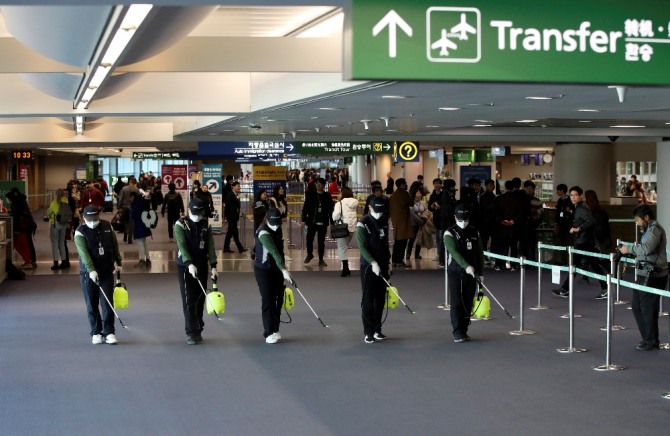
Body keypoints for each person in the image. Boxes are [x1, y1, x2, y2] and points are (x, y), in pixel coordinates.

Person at [619, 205, 668, 351]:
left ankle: (651, 341)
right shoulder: (649, 230)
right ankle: (648, 339)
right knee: (638, 306)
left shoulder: (654, 230)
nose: (637, 223)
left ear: (646, 217)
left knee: (647, 308)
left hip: (654, 275)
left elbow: (647, 249)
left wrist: (629, 249)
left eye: (638, 220)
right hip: (645, 273)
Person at [74, 205, 123, 345]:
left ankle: (109, 332)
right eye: (89, 219)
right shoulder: (80, 231)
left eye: (95, 218)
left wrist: (118, 261)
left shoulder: (107, 226)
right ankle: (96, 332)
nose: (93, 221)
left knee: (107, 302)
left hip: (106, 270)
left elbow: (114, 245)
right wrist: (91, 270)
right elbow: (84, 254)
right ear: (84, 218)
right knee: (92, 303)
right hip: (87, 273)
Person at [552, 186, 608, 300]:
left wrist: (578, 229)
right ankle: (605, 288)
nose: (573, 197)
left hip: (584, 242)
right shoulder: (578, 207)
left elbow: (591, 221)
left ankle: (565, 289)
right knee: (593, 266)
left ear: (580, 196)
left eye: (575, 195)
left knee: (579, 265)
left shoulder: (581, 208)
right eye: (571, 195)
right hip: (584, 241)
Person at [174, 198, 218, 345]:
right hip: (185, 266)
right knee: (189, 300)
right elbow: (182, 246)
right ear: (189, 210)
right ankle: (191, 331)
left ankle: (199, 328)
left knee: (200, 298)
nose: (199, 216)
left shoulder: (206, 224)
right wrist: (189, 264)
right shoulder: (180, 224)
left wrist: (213, 266)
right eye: (196, 213)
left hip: (202, 264)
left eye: (201, 213)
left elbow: (210, 246)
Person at [444, 203, 485, 343]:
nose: (463, 222)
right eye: (460, 219)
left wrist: (481, 272)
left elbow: (479, 253)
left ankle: (464, 329)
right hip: (455, 272)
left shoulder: (474, 232)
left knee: (468, 301)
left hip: (472, 273)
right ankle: (457, 331)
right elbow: (454, 253)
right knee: (456, 302)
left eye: (466, 219)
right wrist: (466, 266)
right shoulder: (449, 233)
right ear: (455, 217)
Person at [253, 208, 291, 344]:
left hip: (276, 269)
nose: (276, 225)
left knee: (279, 298)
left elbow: (280, 251)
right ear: (267, 220)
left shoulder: (278, 228)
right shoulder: (263, 232)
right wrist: (284, 269)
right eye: (273, 222)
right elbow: (274, 252)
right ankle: (268, 332)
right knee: (268, 299)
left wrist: (282, 269)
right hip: (263, 269)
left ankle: (275, 329)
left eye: (278, 222)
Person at [356, 197, 391, 343]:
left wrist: (387, 263)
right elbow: (362, 247)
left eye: (381, 211)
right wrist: (373, 262)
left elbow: (385, 243)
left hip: (383, 264)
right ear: (370, 208)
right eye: (376, 211)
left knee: (380, 298)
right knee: (368, 299)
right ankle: (368, 331)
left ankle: (377, 329)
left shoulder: (384, 220)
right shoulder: (363, 223)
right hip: (368, 266)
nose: (379, 213)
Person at [301, 178, 334, 266]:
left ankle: (321, 259)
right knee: (309, 239)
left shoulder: (327, 196)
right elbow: (305, 208)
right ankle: (309, 254)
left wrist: (332, 222)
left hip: (323, 222)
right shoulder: (311, 195)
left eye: (320, 184)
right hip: (312, 221)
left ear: (324, 185)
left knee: (321, 241)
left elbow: (331, 209)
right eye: (317, 184)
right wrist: (303, 220)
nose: (318, 185)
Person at [5, 189, 37, 269]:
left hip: (21, 228)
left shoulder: (16, 203)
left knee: (20, 245)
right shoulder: (21, 200)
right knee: (25, 244)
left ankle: (28, 261)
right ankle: (30, 261)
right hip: (26, 227)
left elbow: (16, 215)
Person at [332, 186, 359, 277]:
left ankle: (345, 268)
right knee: (344, 247)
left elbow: (335, 216)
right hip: (351, 228)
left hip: (342, 228)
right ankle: (346, 269)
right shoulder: (354, 203)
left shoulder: (339, 204)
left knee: (341, 248)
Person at [389, 178, 413, 268]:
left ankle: (394, 260)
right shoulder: (404, 193)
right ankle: (399, 260)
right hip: (404, 221)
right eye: (405, 183)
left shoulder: (393, 195)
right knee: (403, 241)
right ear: (402, 185)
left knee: (397, 242)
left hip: (395, 221)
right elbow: (411, 203)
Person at [47, 188, 71, 270]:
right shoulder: (66, 202)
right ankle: (64, 262)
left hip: (55, 225)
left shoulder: (54, 203)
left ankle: (56, 263)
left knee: (54, 244)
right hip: (64, 224)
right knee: (62, 243)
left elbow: (49, 213)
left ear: (57, 194)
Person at [129, 191, 152, 268]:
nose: (130, 200)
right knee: (144, 243)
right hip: (145, 224)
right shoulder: (143, 202)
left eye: (130, 198)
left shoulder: (135, 204)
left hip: (138, 225)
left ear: (133, 196)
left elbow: (133, 215)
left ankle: (142, 260)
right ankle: (148, 259)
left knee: (140, 243)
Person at [223, 181, 246, 253]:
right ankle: (240, 248)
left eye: (239, 186)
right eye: (238, 186)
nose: (239, 187)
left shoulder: (235, 194)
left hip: (234, 217)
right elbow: (229, 208)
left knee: (229, 233)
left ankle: (226, 247)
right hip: (231, 217)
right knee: (235, 233)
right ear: (233, 187)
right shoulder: (230, 195)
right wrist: (228, 217)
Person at [554, 183, 574, 263]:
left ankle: (570, 260)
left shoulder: (570, 200)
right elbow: (558, 213)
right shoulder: (559, 200)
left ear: (562, 191)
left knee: (569, 242)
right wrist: (556, 224)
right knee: (562, 243)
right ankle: (563, 260)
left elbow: (574, 211)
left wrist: (570, 211)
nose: (557, 192)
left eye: (558, 190)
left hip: (568, 224)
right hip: (561, 225)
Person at [269, 184, 290, 260]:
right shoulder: (272, 200)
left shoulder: (283, 199)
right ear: (277, 190)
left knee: (284, 237)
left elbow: (285, 210)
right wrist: (279, 218)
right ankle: (275, 254)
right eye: (281, 189)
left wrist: (285, 217)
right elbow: (273, 211)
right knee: (276, 238)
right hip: (276, 222)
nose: (282, 190)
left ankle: (285, 254)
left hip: (283, 222)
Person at [117, 176, 140, 243]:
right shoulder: (136, 190)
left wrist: (119, 207)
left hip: (124, 207)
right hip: (132, 208)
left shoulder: (124, 188)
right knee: (131, 223)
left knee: (125, 222)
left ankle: (125, 236)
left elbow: (121, 199)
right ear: (135, 182)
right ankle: (130, 239)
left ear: (130, 181)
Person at [406, 187, 426, 260]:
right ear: (414, 194)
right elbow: (412, 215)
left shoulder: (421, 203)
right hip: (414, 224)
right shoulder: (411, 203)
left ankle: (417, 254)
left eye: (420, 193)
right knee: (412, 239)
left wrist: (423, 219)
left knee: (419, 239)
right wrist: (420, 221)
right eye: (418, 193)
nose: (419, 194)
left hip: (421, 224)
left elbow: (424, 211)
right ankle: (408, 254)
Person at [428, 178, 444, 267]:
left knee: (441, 238)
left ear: (441, 184)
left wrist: (440, 207)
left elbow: (445, 206)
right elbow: (429, 208)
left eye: (438, 183)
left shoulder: (443, 194)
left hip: (442, 219)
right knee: (438, 238)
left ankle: (442, 256)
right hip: (436, 219)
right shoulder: (432, 195)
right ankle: (439, 254)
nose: (437, 185)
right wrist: (432, 207)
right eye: (435, 183)